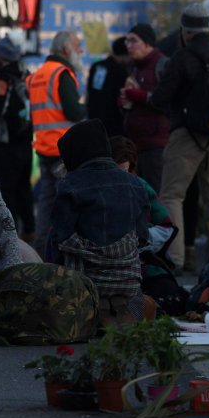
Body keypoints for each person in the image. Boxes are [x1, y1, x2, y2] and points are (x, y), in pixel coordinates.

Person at [126, 4, 209, 271]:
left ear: (185, 31)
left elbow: (162, 98)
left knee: (172, 195)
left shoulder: (183, 57)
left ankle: (173, 258)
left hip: (186, 135)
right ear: (208, 28)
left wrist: (143, 97)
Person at [50, 119, 149, 325]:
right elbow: (142, 237)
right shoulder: (135, 183)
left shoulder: (70, 184)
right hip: (128, 284)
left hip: (84, 285)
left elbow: (61, 238)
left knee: (53, 236)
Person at [26, 30, 86, 257]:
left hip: (43, 148)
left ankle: (41, 250)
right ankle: (66, 252)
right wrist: (84, 108)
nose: (80, 50)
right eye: (77, 45)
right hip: (63, 150)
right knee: (70, 202)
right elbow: (73, 111)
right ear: (66, 49)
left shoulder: (37, 75)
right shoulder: (62, 73)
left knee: (46, 201)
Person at [0, 37, 35, 237]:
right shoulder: (26, 74)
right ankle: (30, 230)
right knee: (24, 188)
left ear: (0, 55)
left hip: (6, 143)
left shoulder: (3, 77)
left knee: (7, 190)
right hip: (26, 141)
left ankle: (10, 234)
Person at [119, 23, 170, 192]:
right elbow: (130, 103)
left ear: (148, 43)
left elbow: (165, 101)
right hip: (136, 146)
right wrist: (124, 102)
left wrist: (137, 95)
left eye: (133, 41)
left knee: (155, 197)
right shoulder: (135, 68)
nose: (129, 46)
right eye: (127, 42)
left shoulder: (162, 65)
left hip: (156, 146)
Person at [86, 36, 129, 136]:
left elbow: (90, 93)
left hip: (94, 123)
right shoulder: (121, 71)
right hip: (114, 125)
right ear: (125, 55)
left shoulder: (97, 66)